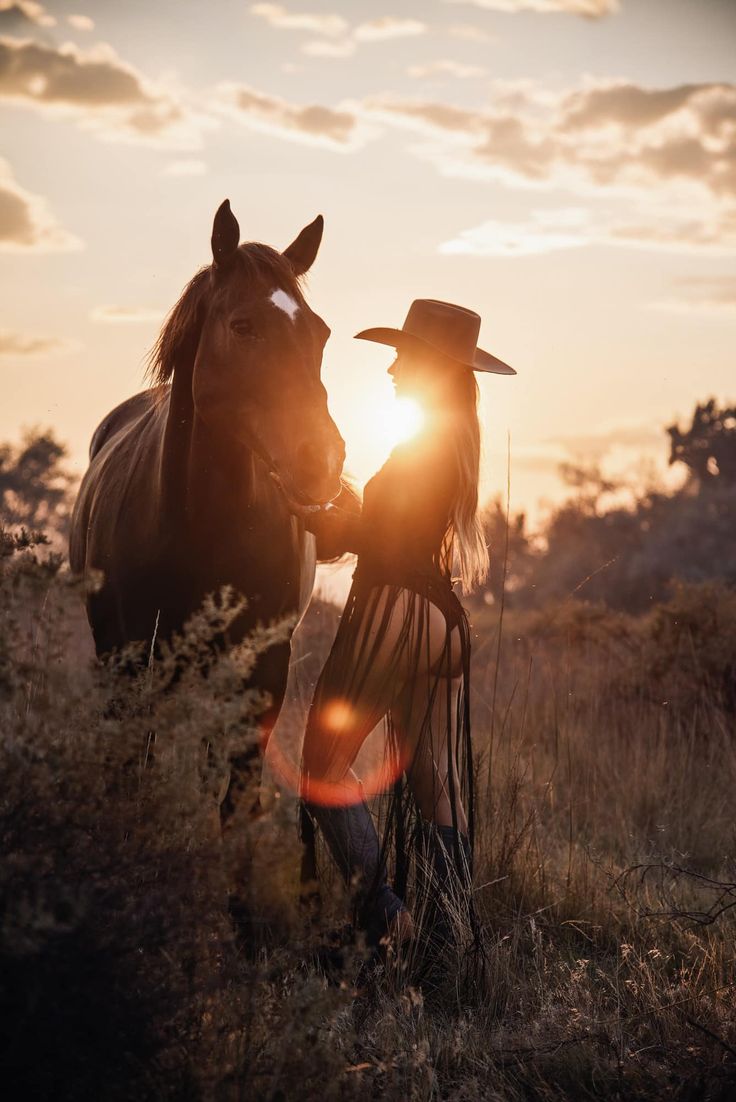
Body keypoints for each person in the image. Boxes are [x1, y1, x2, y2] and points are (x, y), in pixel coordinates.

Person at [283, 299, 515, 961]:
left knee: (322, 765)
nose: (390, 366)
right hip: (443, 619)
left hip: (397, 607)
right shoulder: (450, 438)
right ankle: (446, 941)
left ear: (430, 366)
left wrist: (327, 513)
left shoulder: (423, 445)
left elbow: (381, 537)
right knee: (434, 777)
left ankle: (386, 914)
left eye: (403, 355)